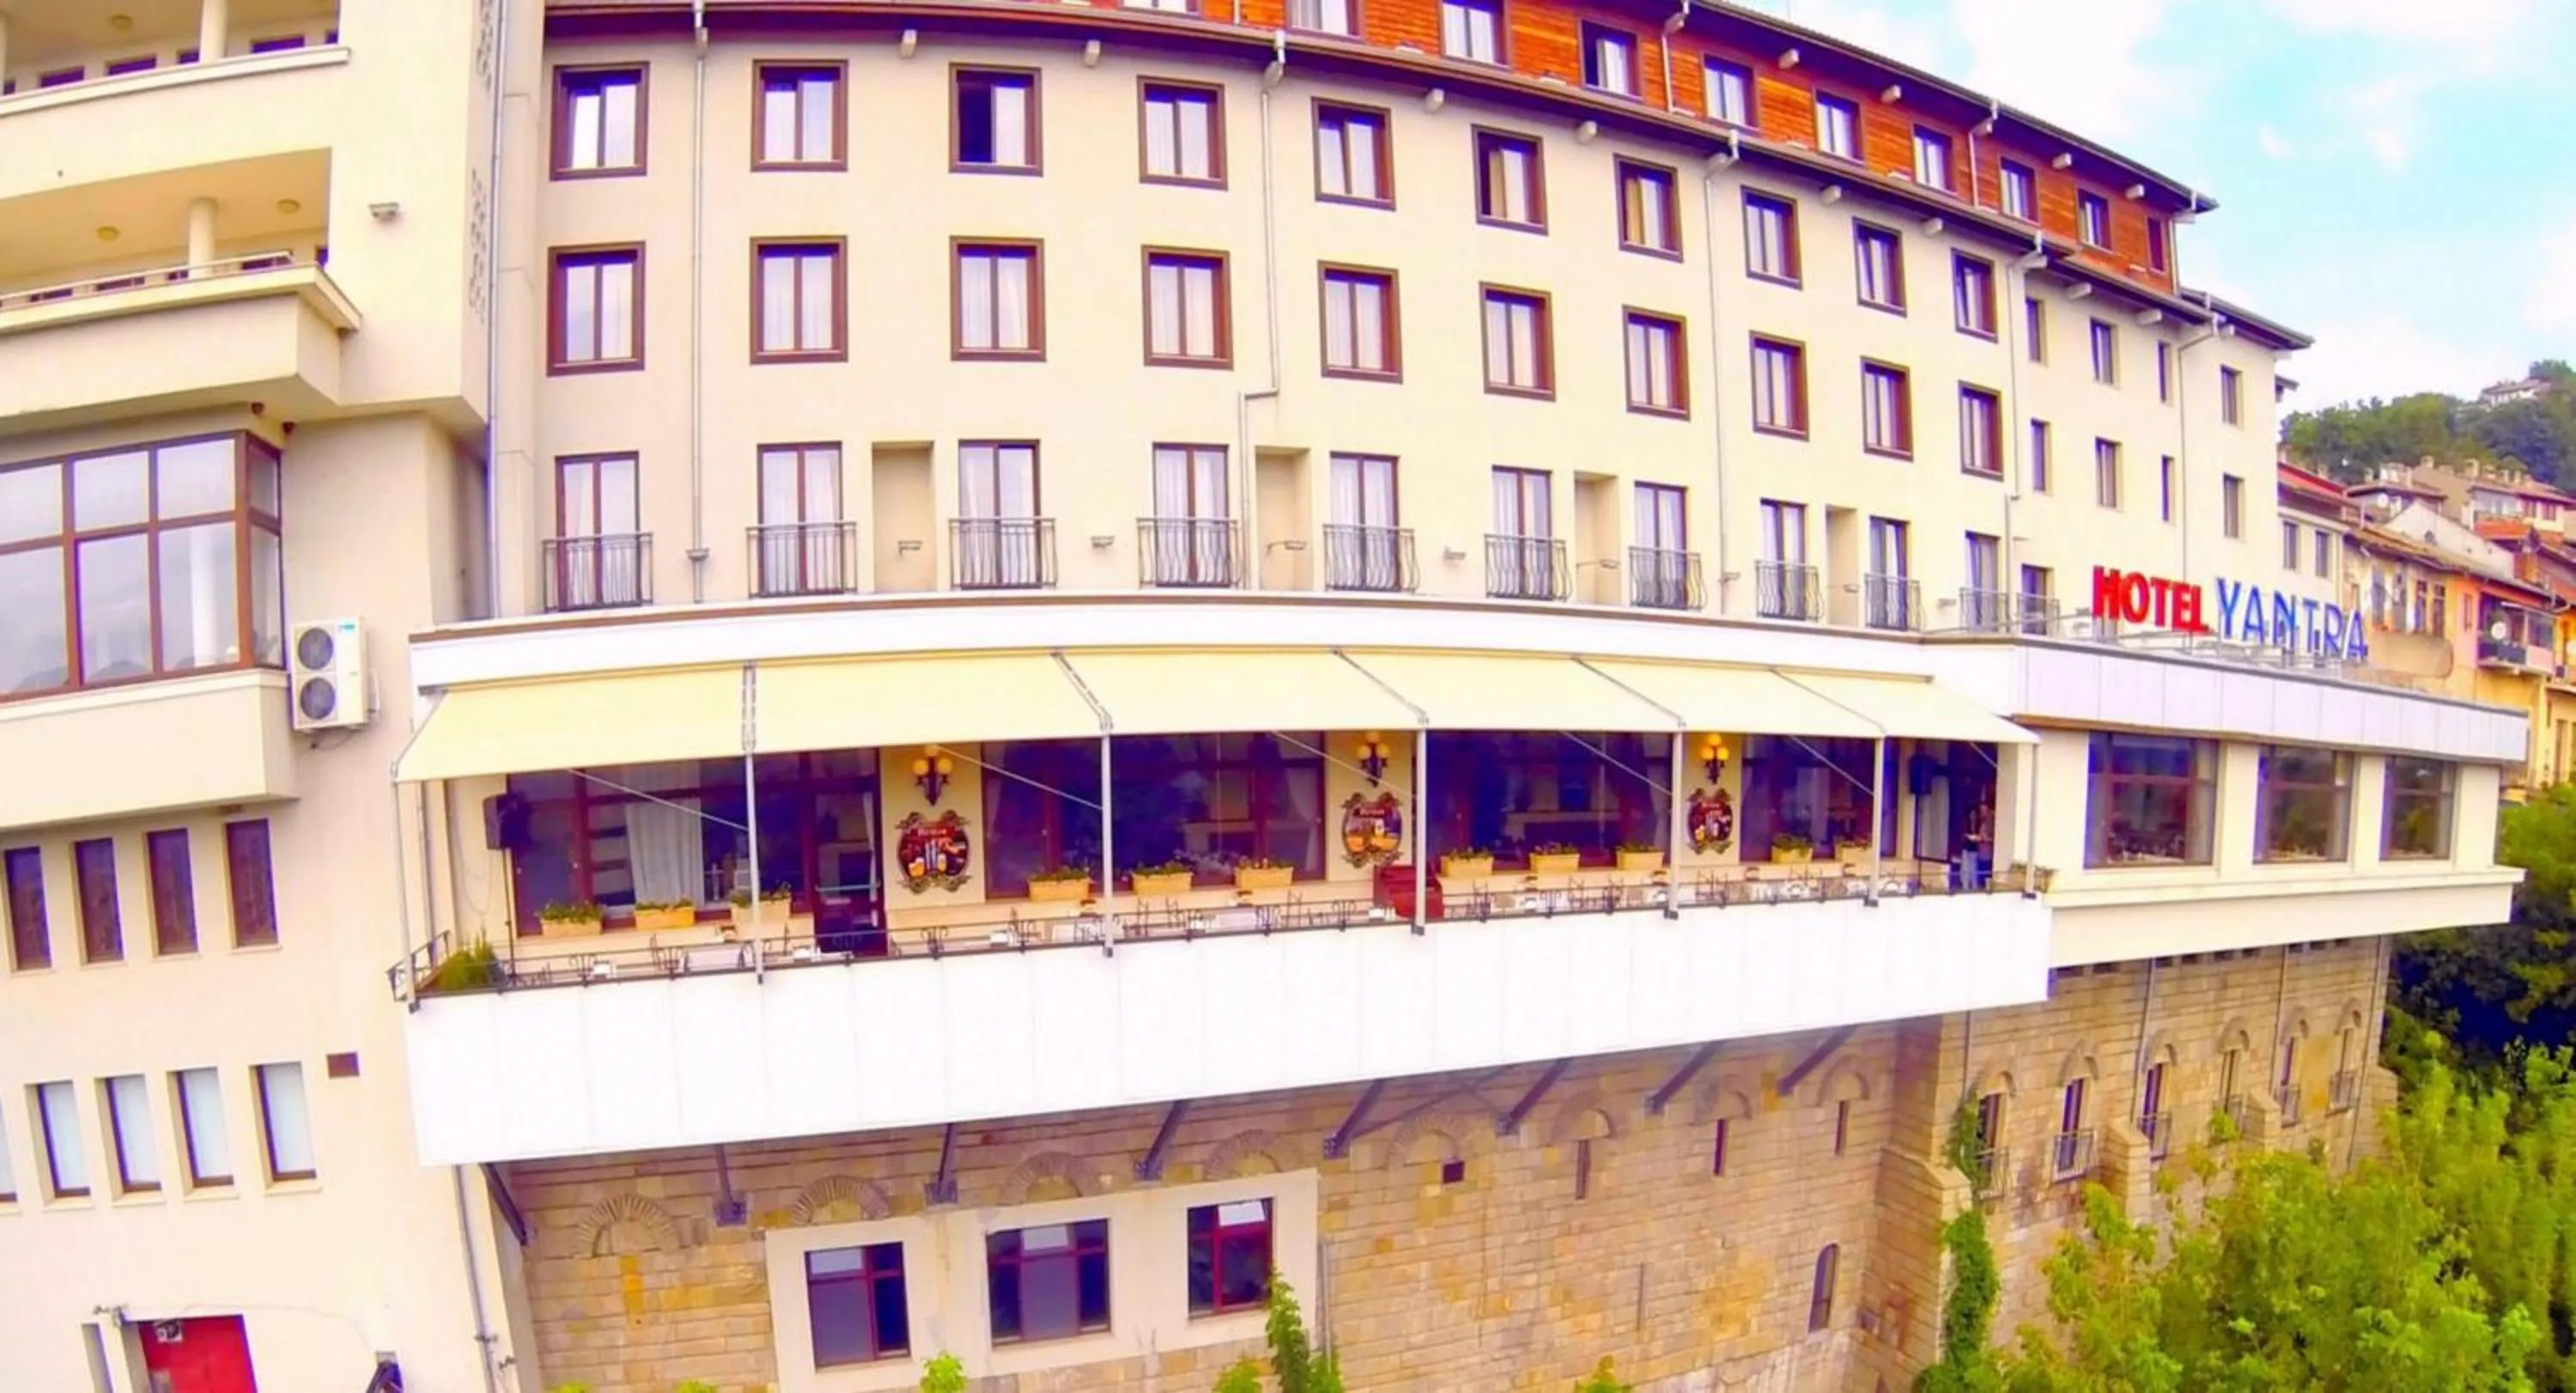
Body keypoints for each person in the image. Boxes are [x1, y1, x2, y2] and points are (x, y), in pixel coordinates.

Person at [1961, 799, 1993, 891]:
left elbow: (1993, 838)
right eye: (1981, 810)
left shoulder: (1989, 822)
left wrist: (1982, 839)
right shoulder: (1979, 822)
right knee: (1970, 872)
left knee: (1981, 876)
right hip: (1976, 852)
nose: (1982, 813)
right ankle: (1969, 888)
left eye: (1984, 810)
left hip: (1985, 855)